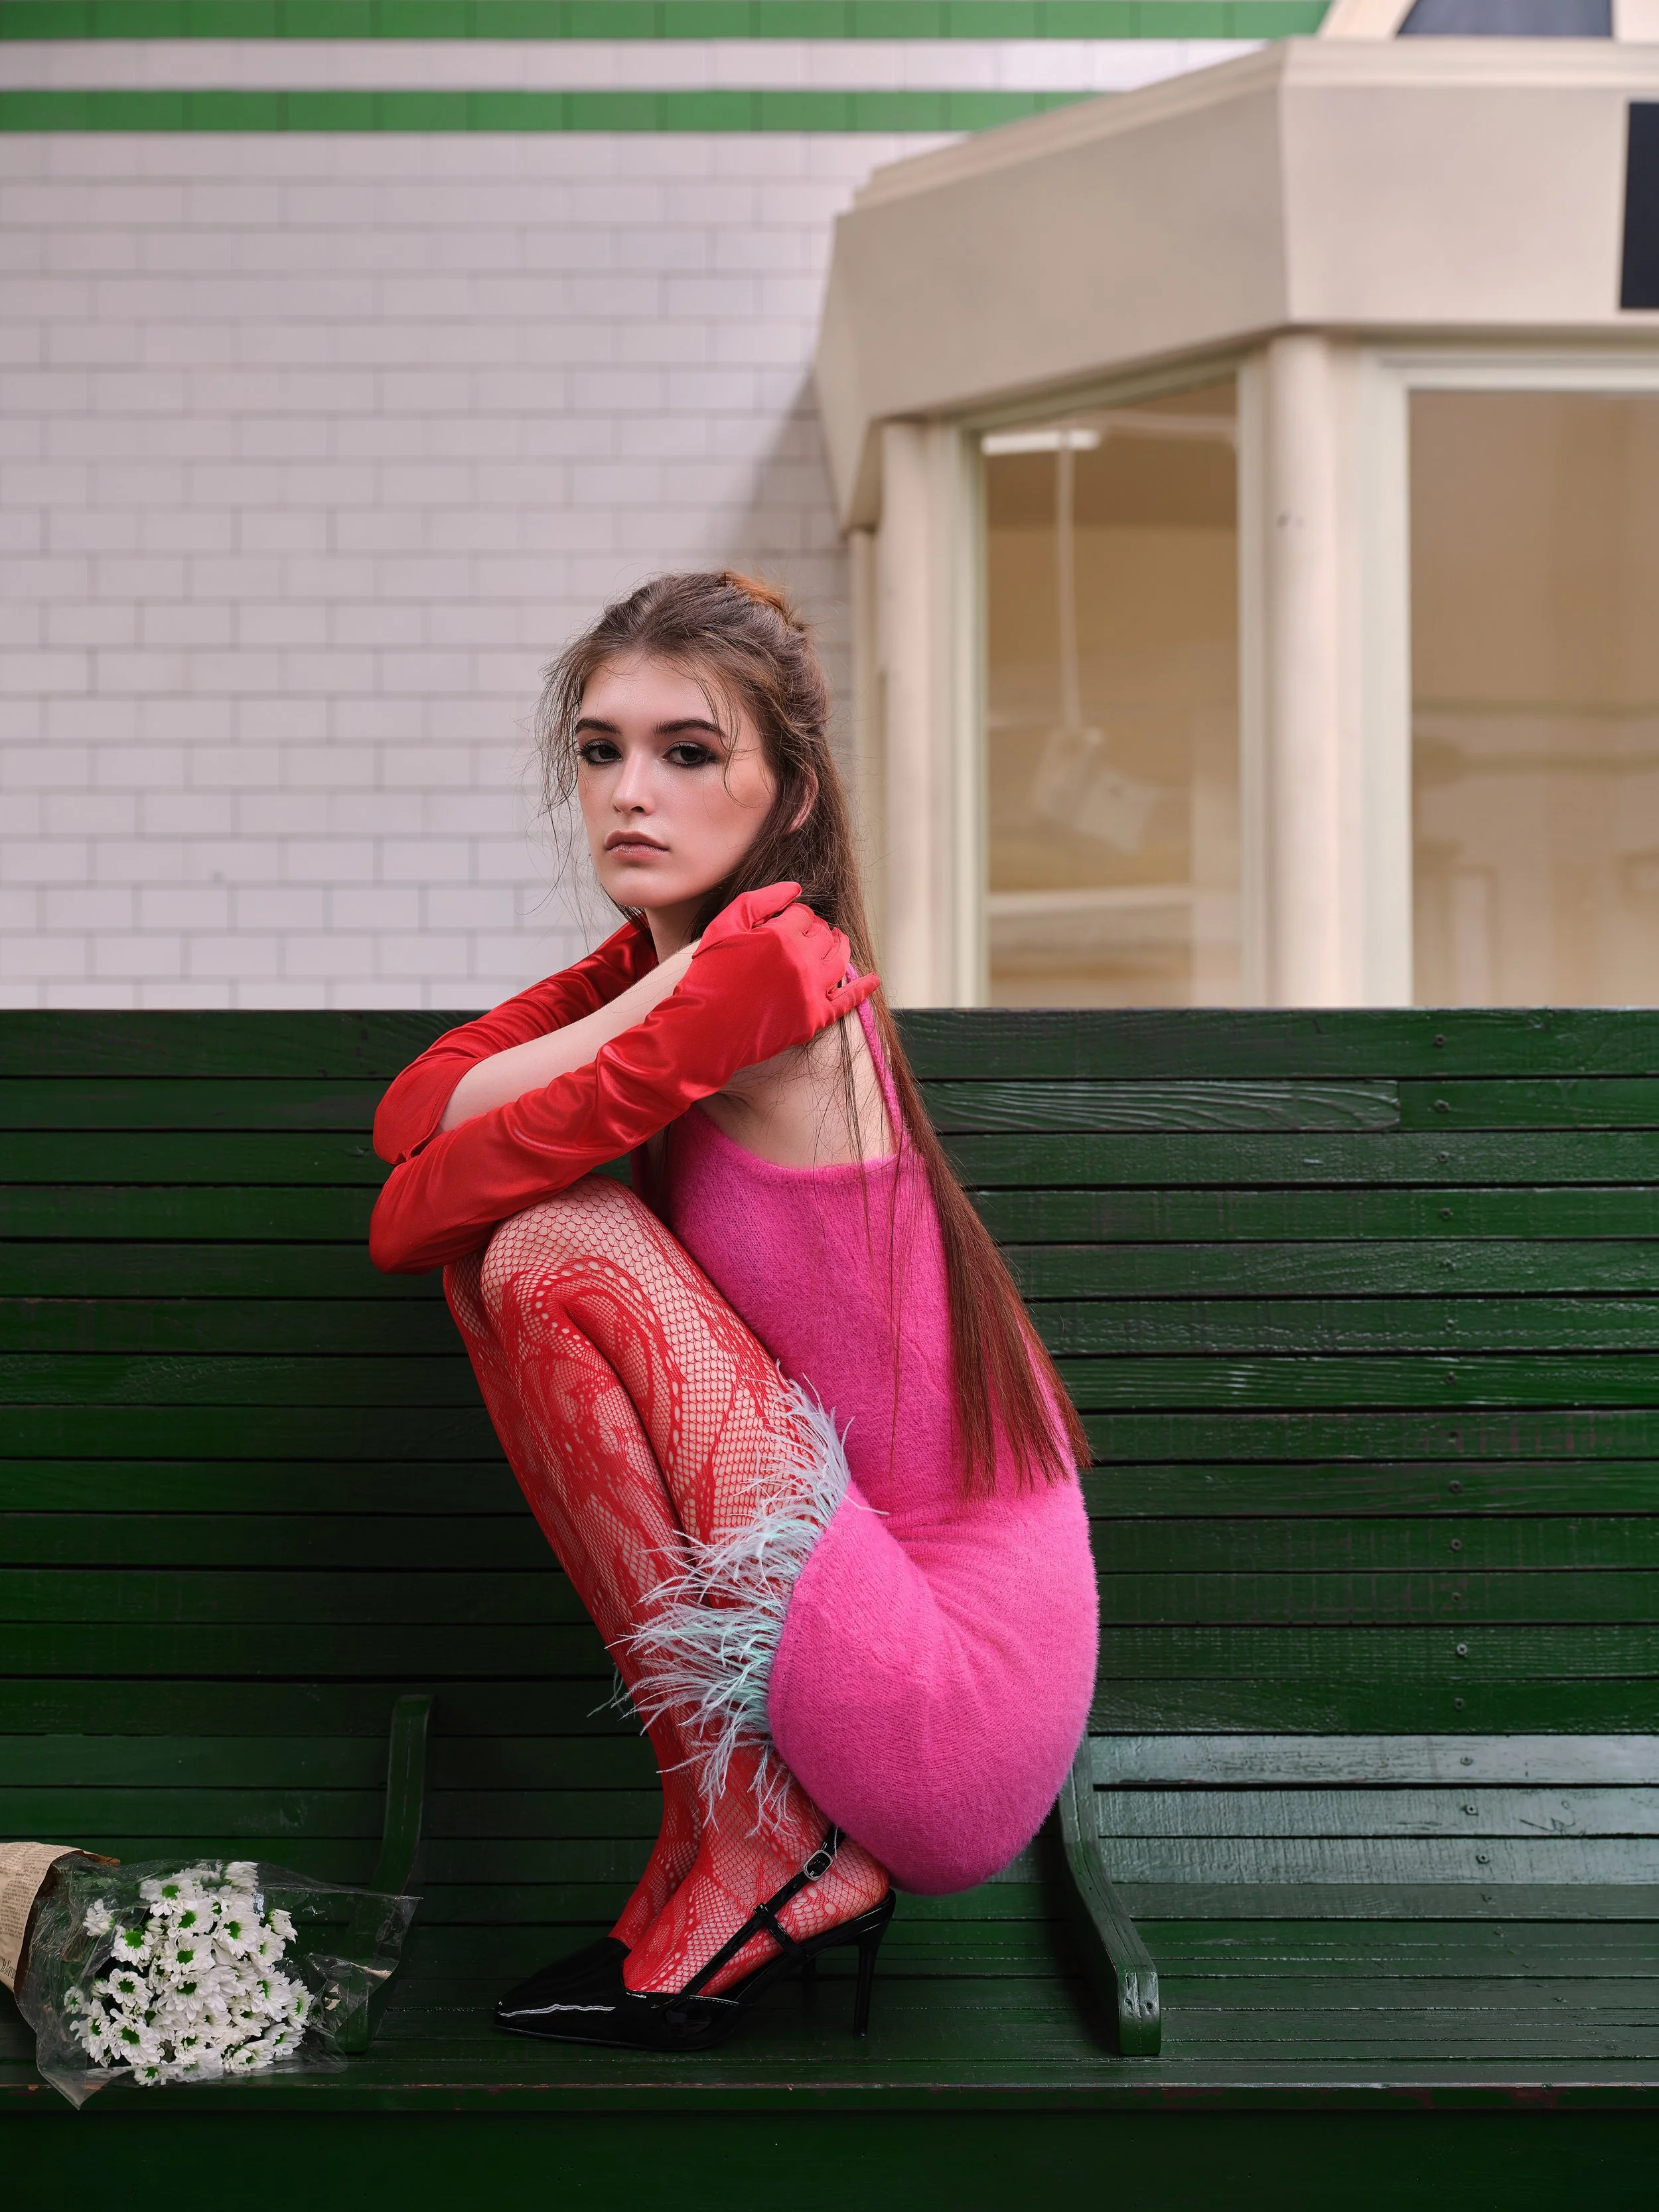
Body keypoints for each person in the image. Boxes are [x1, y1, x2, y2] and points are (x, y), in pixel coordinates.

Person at [368, 571, 1099, 2052]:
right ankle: (721, 1824)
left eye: (688, 753)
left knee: (547, 1242)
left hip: (952, 1691)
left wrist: (667, 994)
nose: (630, 793)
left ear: (792, 793)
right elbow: (409, 1119)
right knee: (514, 1251)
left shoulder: (761, 971)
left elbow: (410, 1210)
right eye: (600, 750)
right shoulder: (683, 963)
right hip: (864, 1609)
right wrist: (648, 994)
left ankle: (769, 1836)